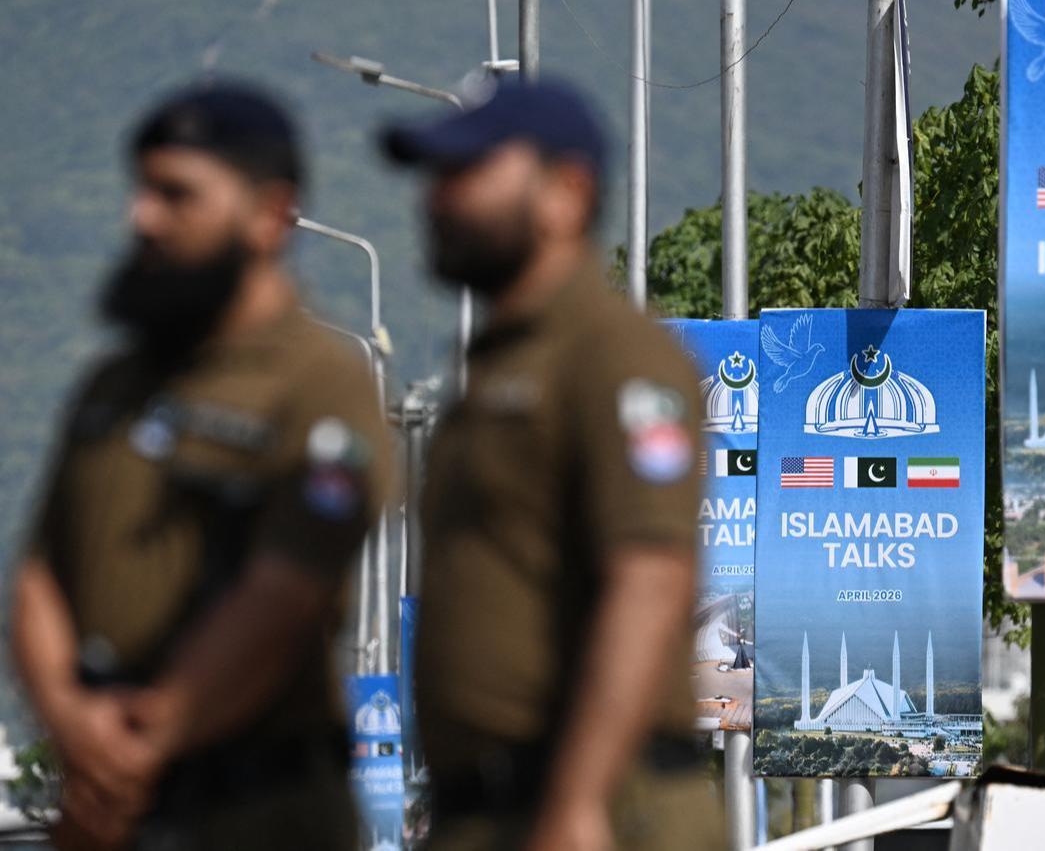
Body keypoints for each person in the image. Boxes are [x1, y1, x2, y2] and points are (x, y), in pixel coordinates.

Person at [10, 82, 392, 850]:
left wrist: (146, 742)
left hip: (256, 812)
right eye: (142, 190)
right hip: (106, 810)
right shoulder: (112, 387)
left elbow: (287, 591)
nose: (141, 217)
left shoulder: (322, 379)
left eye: (176, 195)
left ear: (267, 213)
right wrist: (72, 723)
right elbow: (39, 575)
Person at [382, 80, 721, 851]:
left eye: (467, 173)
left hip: (596, 806)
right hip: (493, 811)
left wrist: (577, 803)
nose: (437, 199)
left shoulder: (613, 355)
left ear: (567, 192)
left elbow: (650, 578)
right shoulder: (499, 368)